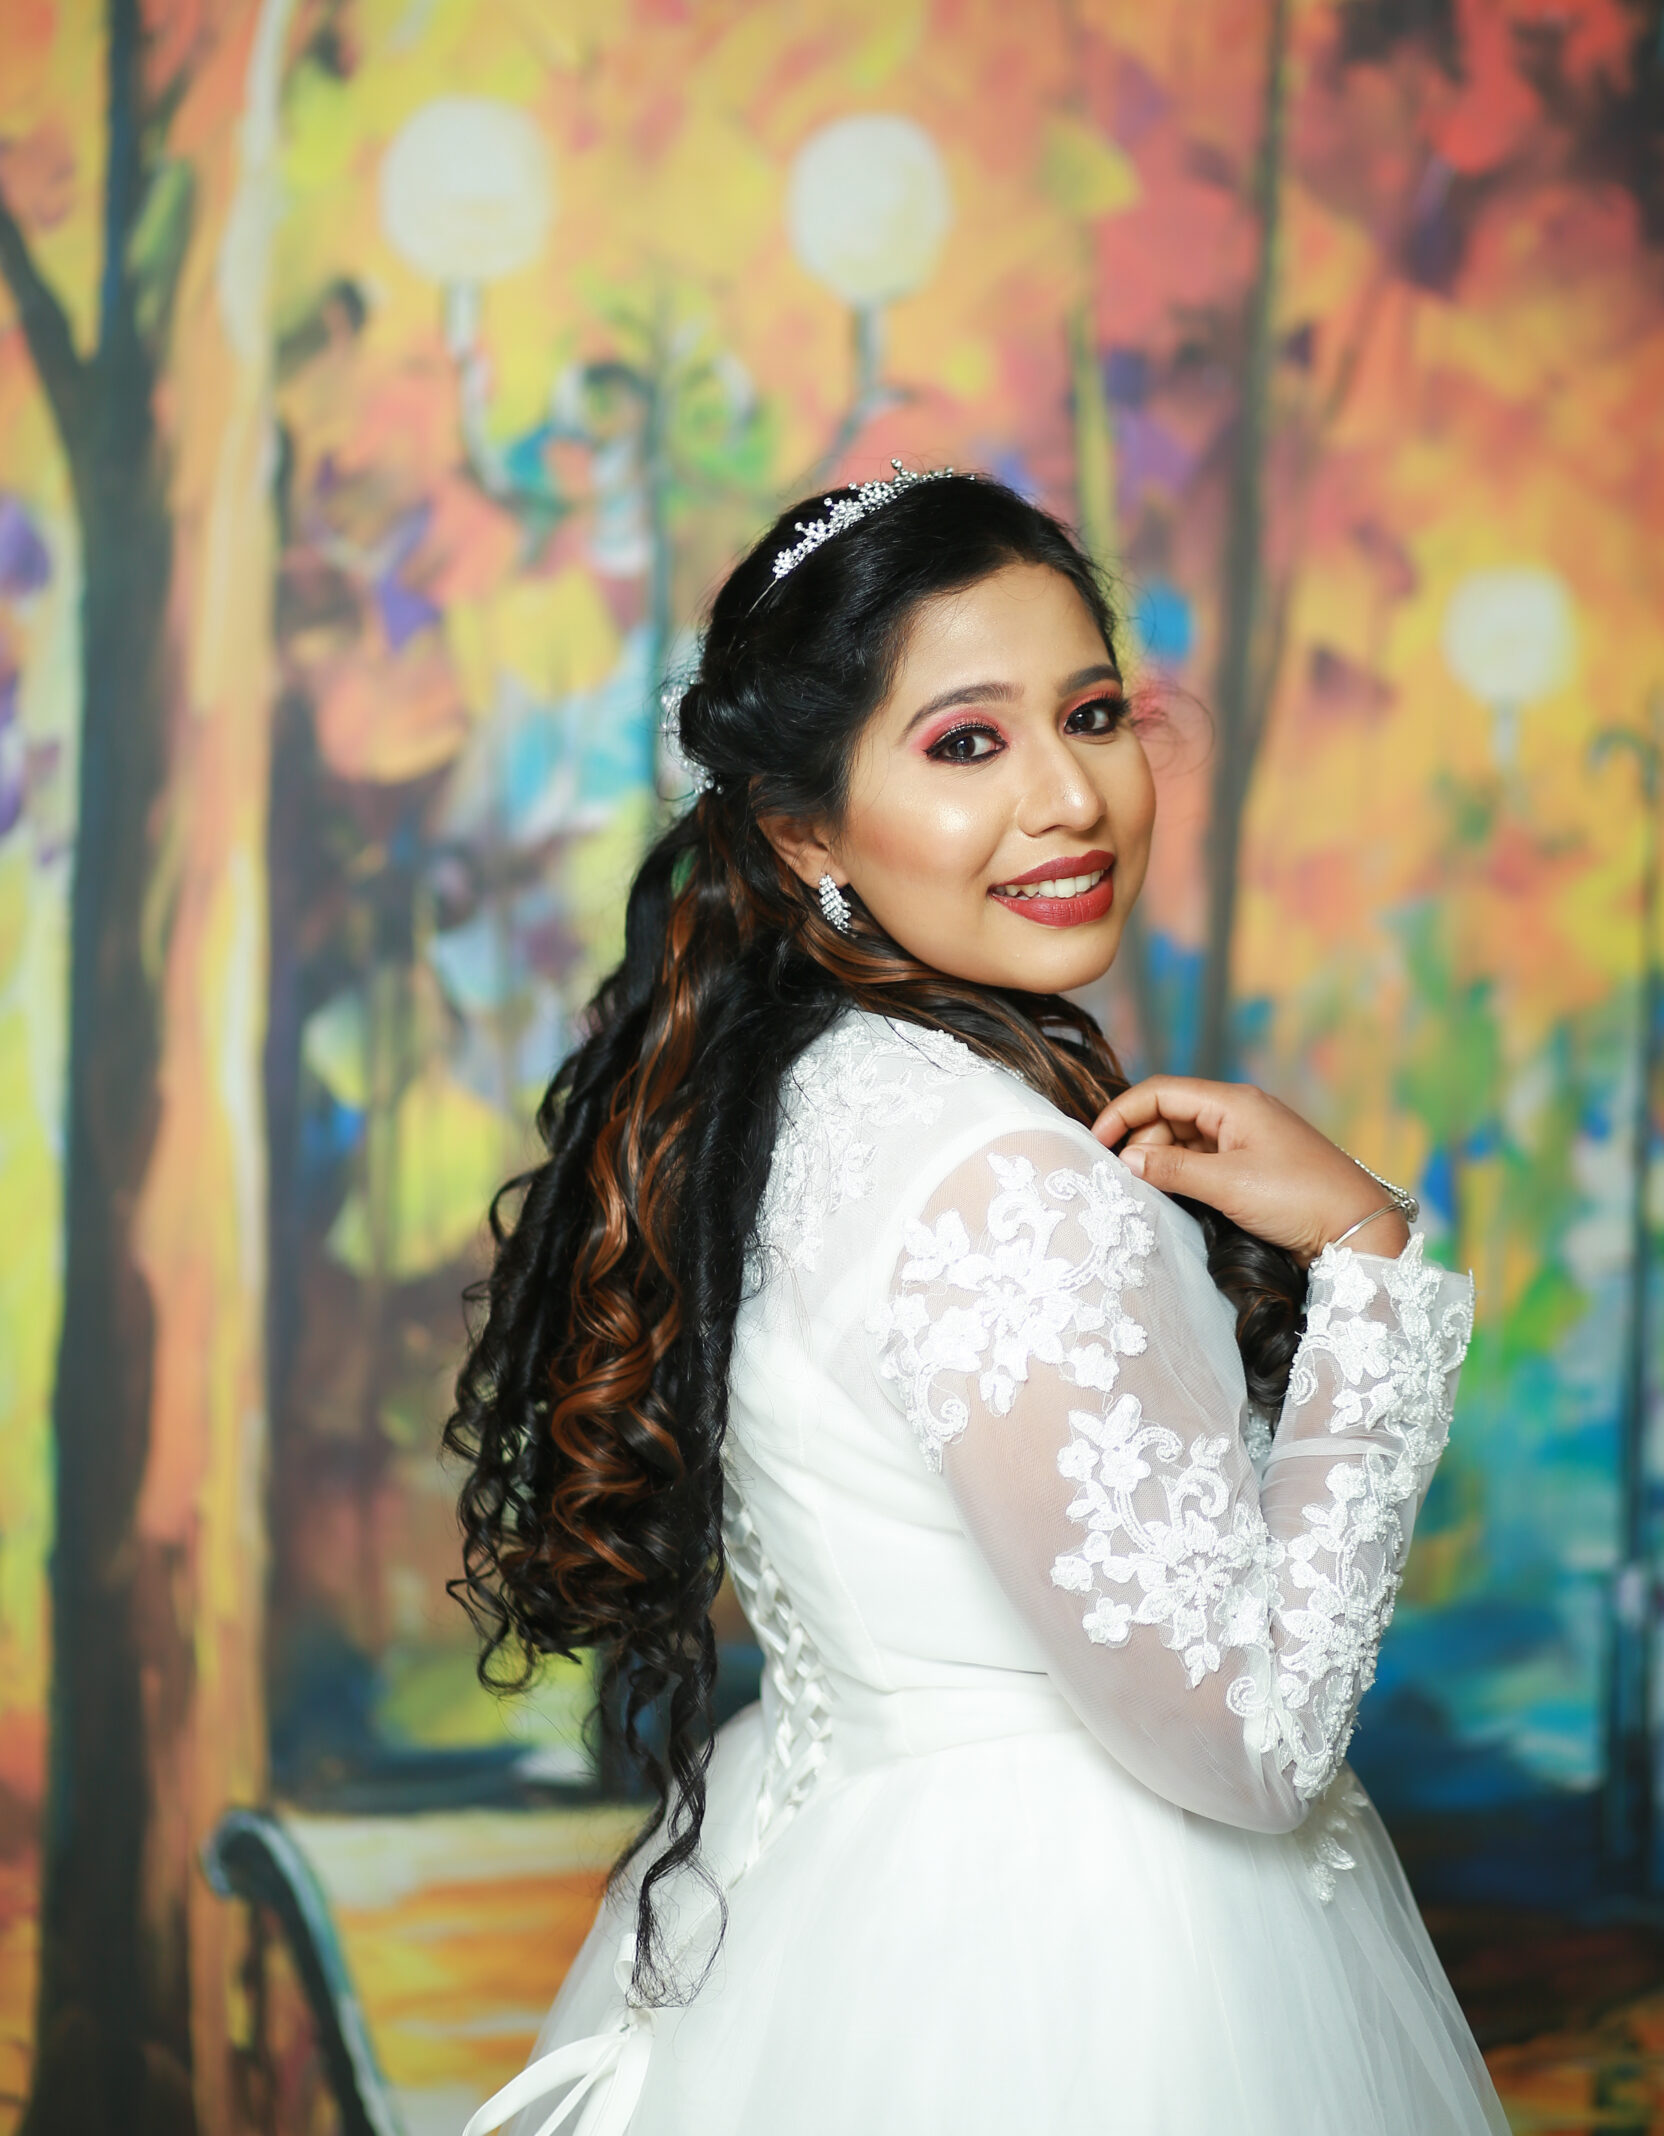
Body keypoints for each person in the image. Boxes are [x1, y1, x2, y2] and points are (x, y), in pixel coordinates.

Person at [448, 466, 1508, 2136]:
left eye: (1091, 715)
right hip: (1075, 1960)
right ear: (803, 830)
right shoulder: (1005, 1183)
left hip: (835, 1912)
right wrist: (1371, 1261)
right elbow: (1253, 1744)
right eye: (965, 744)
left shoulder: (806, 1093)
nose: (1069, 798)